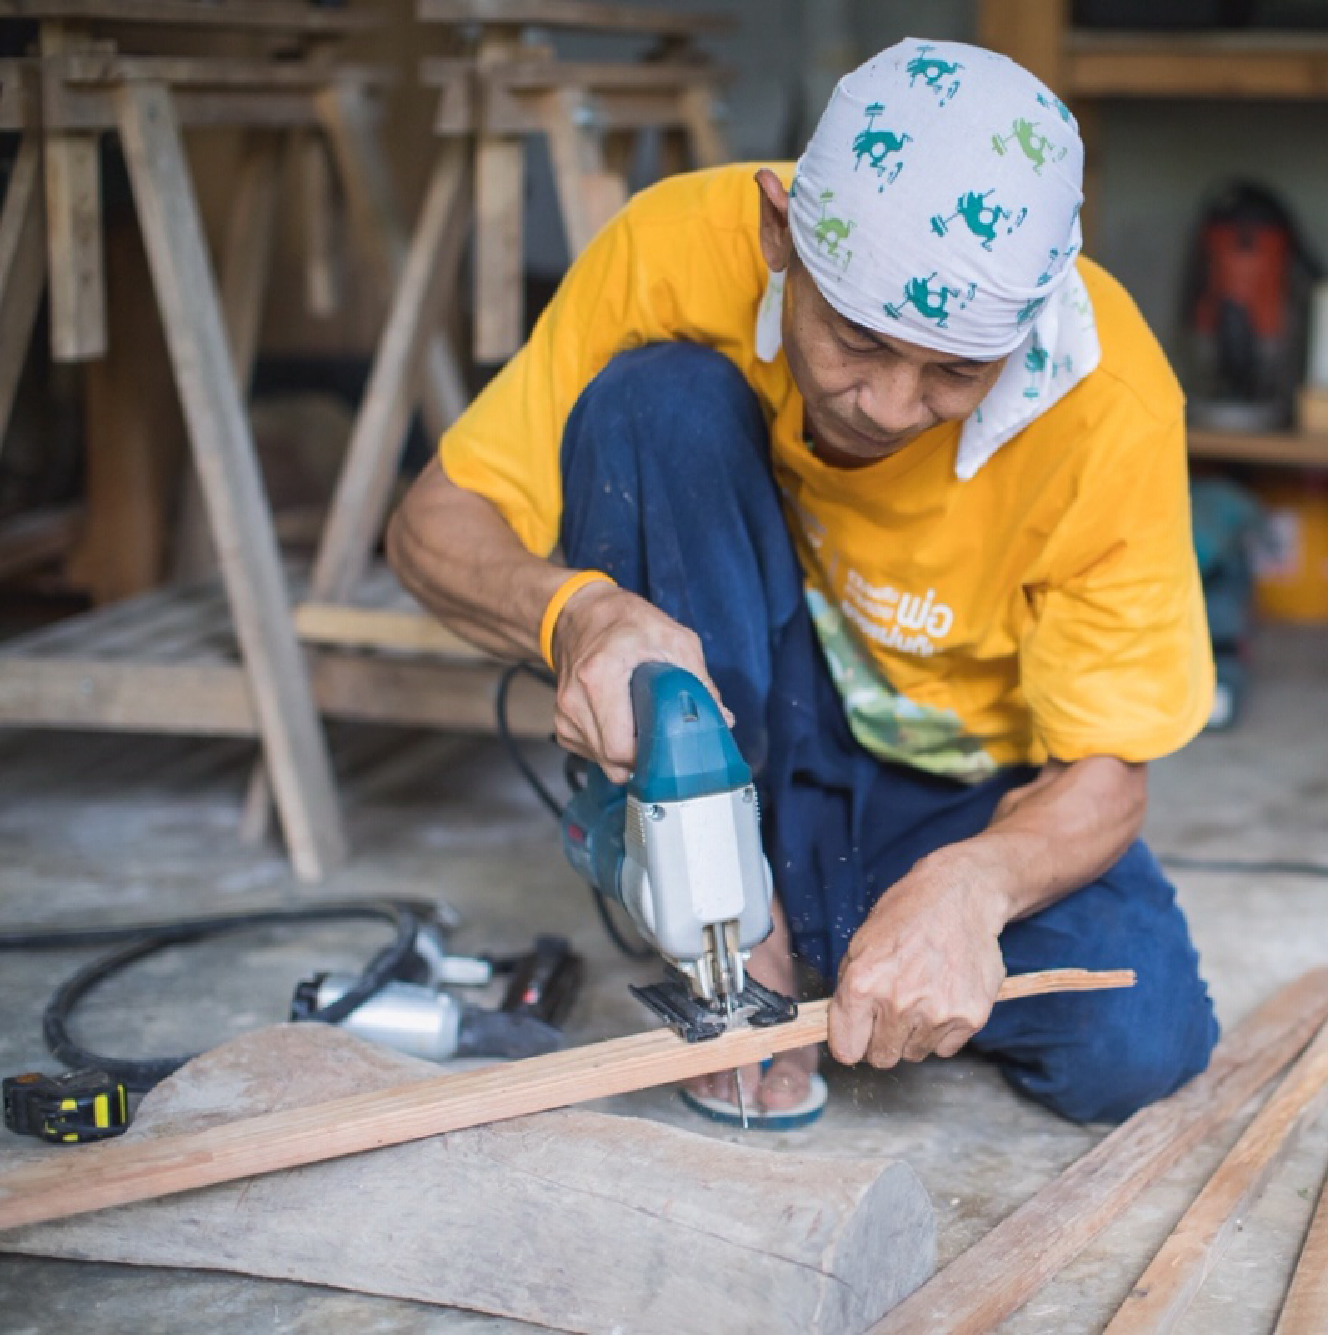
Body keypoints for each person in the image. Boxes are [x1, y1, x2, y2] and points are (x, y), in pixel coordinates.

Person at [387, 38, 1218, 1124]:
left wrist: (968, 889)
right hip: (741, 725)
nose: (886, 404)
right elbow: (428, 529)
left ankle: (840, 924)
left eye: (953, 374)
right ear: (782, 234)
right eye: (857, 342)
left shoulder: (1106, 403)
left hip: (951, 781)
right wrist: (576, 616)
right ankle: (741, 921)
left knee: (1134, 1040)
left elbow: (1106, 775)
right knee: (658, 400)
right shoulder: (677, 247)